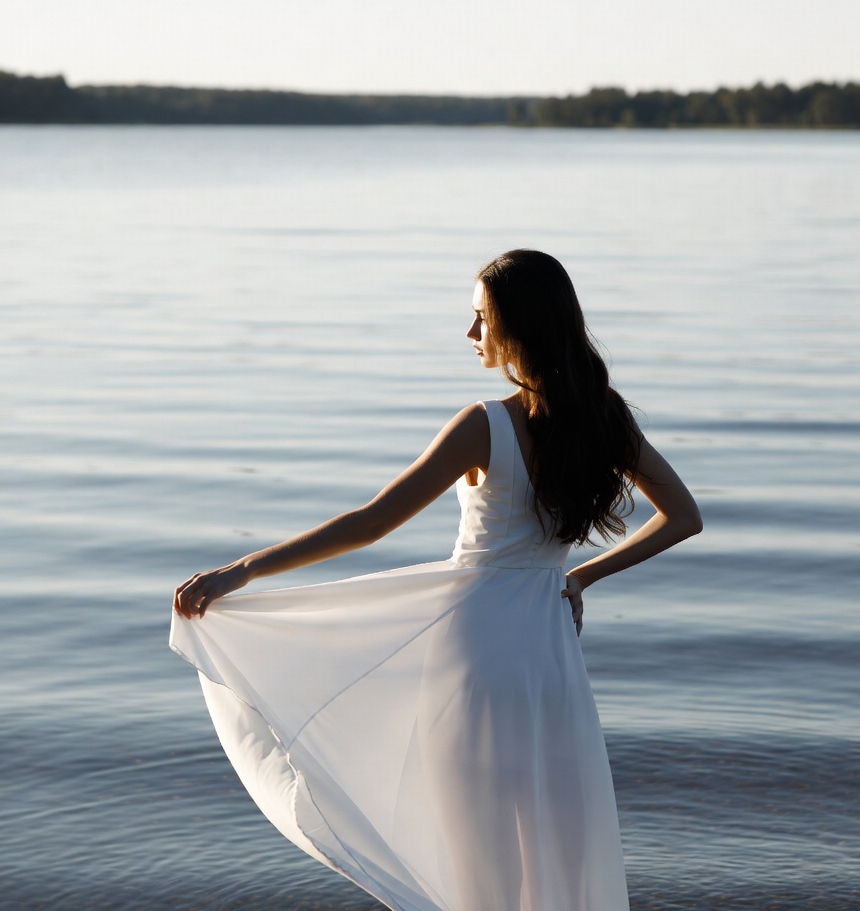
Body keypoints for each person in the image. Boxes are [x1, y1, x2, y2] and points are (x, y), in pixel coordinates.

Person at [171, 249, 702, 911]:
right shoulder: (603, 419)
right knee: (551, 833)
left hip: (474, 649)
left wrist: (244, 568)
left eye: (482, 318)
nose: (471, 332)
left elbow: (371, 522)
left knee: (477, 849)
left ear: (520, 326)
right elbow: (684, 517)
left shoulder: (486, 425)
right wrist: (581, 577)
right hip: (547, 651)